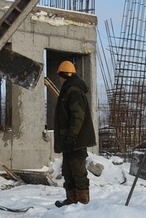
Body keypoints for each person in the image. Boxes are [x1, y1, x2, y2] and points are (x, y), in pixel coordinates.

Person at [53, 60, 96, 206]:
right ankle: (72, 199)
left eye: (60, 76)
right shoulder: (69, 91)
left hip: (76, 140)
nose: (59, 79)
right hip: (69, 140)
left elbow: (78, 116)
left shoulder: (73, 91)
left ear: (64, 75)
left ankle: (83, 202)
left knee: (77, 171)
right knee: (68, 170)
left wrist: (72, 136)